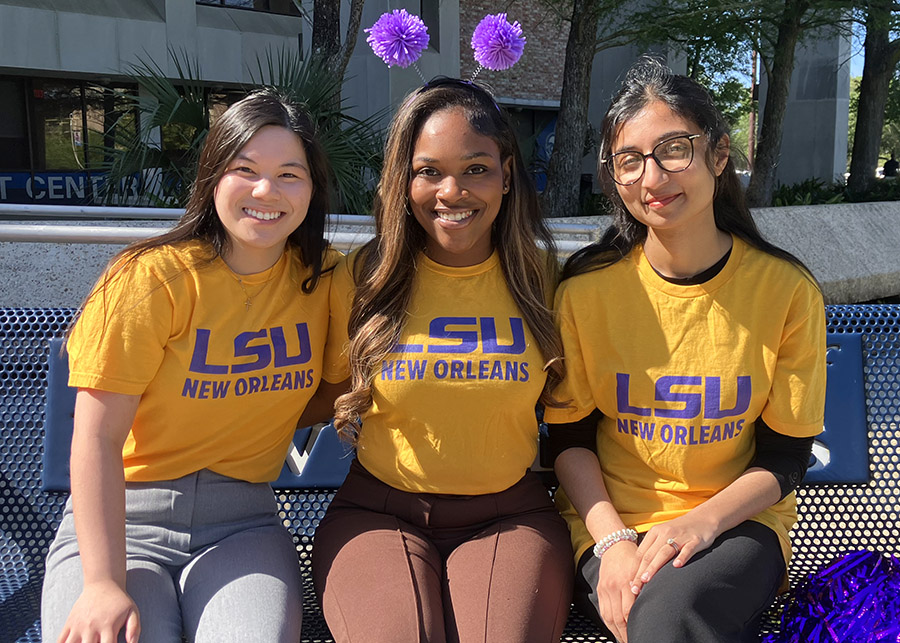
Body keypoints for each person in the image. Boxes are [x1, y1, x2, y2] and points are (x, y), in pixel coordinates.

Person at [41, 89, 348, 643]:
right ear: (212, 177)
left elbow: (334, 388)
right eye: (244, 169)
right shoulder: (150, 278)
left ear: (312, 187)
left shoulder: (326, 278)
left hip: (243, 525)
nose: (265, 191)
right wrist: (104, 582)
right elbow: (97, 438)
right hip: (124, 523)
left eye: (289, 174)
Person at [544, 58, 826, 643]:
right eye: (630, 161)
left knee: (669, 616)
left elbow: (785, 455)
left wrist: (699, 524)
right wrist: (614, 542)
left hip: (735, 525)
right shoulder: (585, 294)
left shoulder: (784, 292)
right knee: (657, 617)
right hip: (612, 526)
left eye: (674, 149)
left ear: (718, 156)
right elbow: (568, 439)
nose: (653, 178)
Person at [312, 78, 574, 643]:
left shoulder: (546, 281)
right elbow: (301, 386)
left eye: (476, 168)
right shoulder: (362, 279)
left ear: (507, 174)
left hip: (511, 515)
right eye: (429, 171)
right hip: (377, 513)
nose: (451, 191)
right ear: (403, 181)